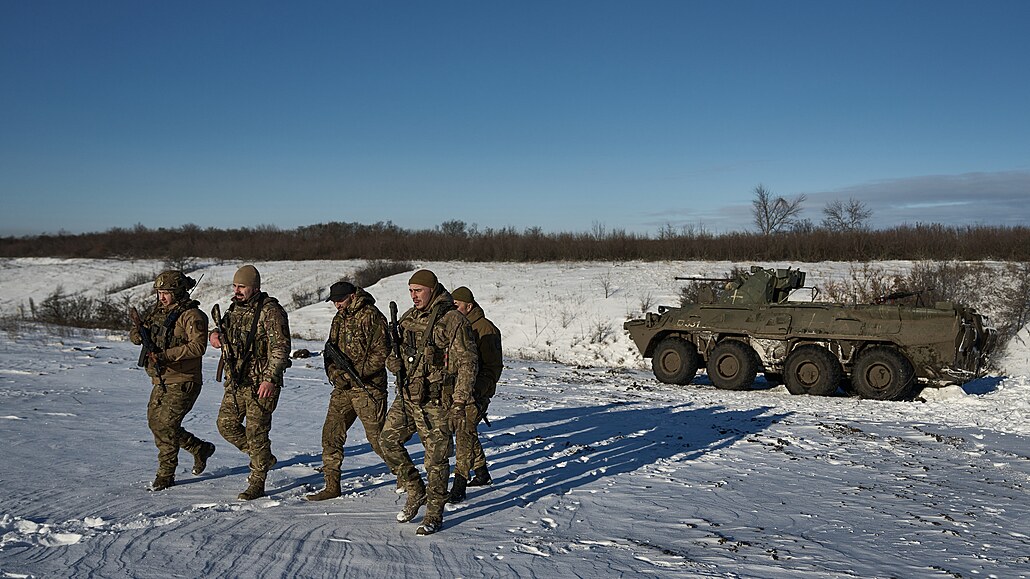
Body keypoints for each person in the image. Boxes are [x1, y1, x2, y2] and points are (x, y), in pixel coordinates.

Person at [379, 269, 478, 535]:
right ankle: (415, 489)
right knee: (387, 440)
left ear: (432, 289)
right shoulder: (409, 318)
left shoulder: (453, 320)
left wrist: (459, 401)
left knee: (435, 460)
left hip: (438, 400)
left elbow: (468, 362)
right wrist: (393, 362)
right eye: (410, 291)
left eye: (418, 291)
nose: (413, 296)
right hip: (408, 396)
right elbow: (393, 351)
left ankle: (434, 513)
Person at [209, 264, 291, 500]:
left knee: (257, 433)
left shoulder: (270, 311)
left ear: (255, 287)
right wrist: (215, 335)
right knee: (226, 425)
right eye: (235, 286)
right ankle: (263, 457)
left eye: (242, 286)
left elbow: (281, 348)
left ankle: (258, 479)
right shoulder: (234, 309)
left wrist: (270, 379)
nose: (237, 290)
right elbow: (224, 330)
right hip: (236, 381)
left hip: (261, 384)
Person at [130, 270, 215, 492]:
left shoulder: (192, 316)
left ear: (178, 292)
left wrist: (166, 355)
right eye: (159, 292)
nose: (162, 297)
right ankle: (199, 448)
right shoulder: (158, 312)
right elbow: (137, 333)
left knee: (166, 425)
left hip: (184, 379)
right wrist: (138, 335)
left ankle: (166, 474)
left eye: (166, 292)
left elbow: (198, 347)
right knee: (156, 423)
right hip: (160, 379)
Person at [306, 281, 390, 501]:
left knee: (379, 439)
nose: (337, 305)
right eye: (334, 302)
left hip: (368, 388)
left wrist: (355, 374)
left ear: (353, 296)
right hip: (343, 389)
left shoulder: (372, 316)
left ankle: (406, 477)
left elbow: (381, 354)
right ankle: (332, 486)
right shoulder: (339, 319)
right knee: (331, 435)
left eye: (340, 300)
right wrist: (335, 374)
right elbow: (329, 350)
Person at [447, 286, 502, 503]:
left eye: (457, 306)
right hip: (460, 391)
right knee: (467, 431)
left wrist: (476, 390)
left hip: (476, 393)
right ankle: (481, 473)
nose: (453, 310)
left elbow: (493, 367)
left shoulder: (486, 329)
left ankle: (459, 484)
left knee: (463, 434)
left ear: (469, 306)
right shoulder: (457, 326)